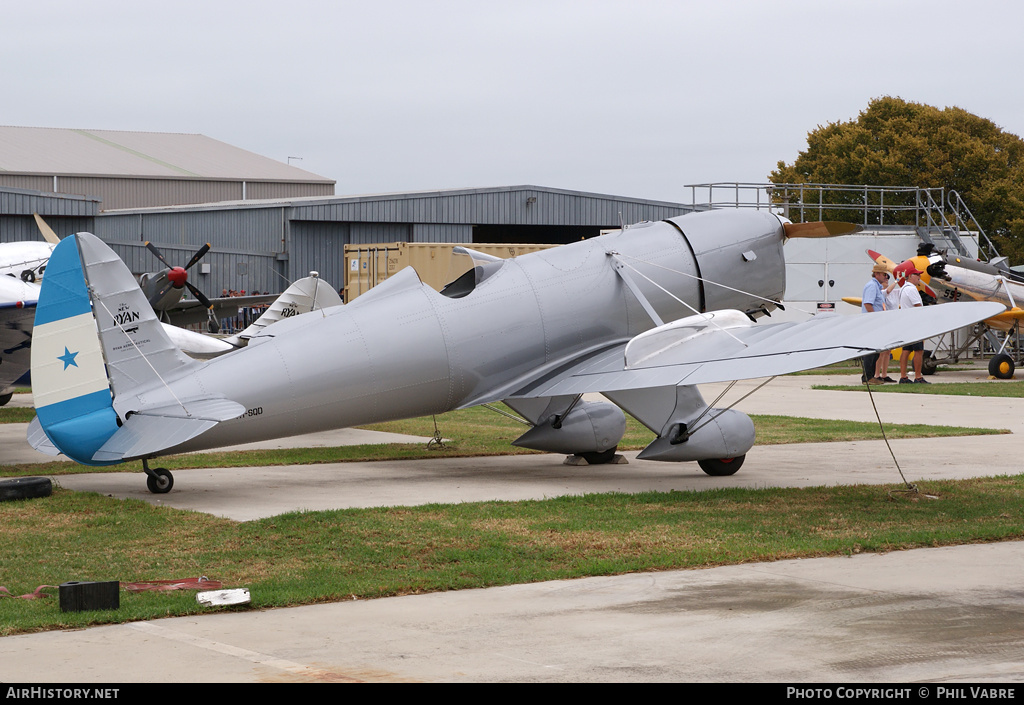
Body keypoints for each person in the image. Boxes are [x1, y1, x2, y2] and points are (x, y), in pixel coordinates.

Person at [896, 263, 930, 384]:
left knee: (906, 350)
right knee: (918, 351)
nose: (919, 277)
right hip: (915, 323)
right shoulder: (911, 289)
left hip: (906, 323)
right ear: (910, 276)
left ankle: (903, 376)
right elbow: (918, 306)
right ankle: (918, 376)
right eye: (916, 275)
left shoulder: (903, 289)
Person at [860, 264, 889, 384]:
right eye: (884, 274)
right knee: (870, 352)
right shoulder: (872, 286)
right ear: (877, 274)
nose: (886, 277)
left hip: (875, 322)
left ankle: (871, 376)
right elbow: (868, 304)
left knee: (876, 352)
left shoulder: (877, 287)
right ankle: (867, 377)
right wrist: (875, 319)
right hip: (871, 323)